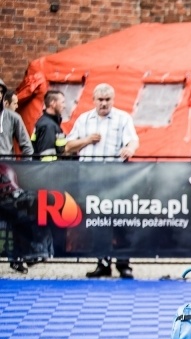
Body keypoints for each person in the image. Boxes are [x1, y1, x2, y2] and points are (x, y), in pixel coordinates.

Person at [65, 83, 139, 279]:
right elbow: (68, 146)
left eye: (107, 100)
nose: (104, 103)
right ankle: (102, 263)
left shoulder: (123, 118)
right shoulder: (83, 119)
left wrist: (130, 149)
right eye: (100, 100)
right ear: (93, 100)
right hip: (90, 179)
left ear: (113, 100)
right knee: (98, 222)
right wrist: (87, 140)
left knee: (121, 220)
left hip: (115, 179)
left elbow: (133, 140)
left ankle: (123, 264)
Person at [0, 80, 34, 159]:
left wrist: (24, 165)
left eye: (1, 92)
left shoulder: (13, 117)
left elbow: (27, 148)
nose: (0, 95)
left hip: (5, 164)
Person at [31, 90, 67, 161]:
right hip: (50, 167)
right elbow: (47, 158)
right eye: (62, 102)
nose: (64, 106)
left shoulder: (49, 122)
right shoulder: (48, 126)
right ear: (52, 103)